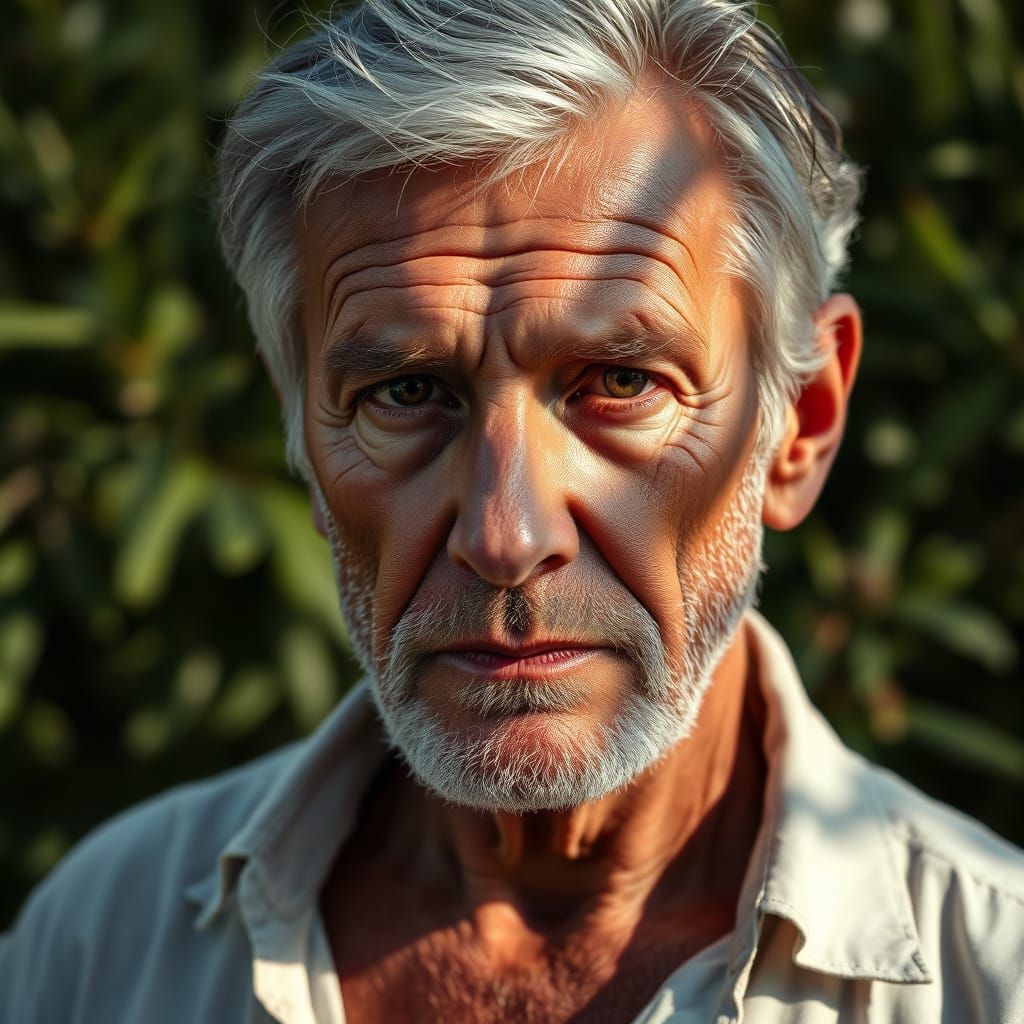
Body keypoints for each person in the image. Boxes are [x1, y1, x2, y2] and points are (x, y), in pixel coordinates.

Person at [2, 0, 1022, 1020]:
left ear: (798, 421)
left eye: (620, 383)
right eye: (405, 394)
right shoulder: (102, 944)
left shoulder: (993, 976)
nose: (506, 536)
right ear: (301, 443)